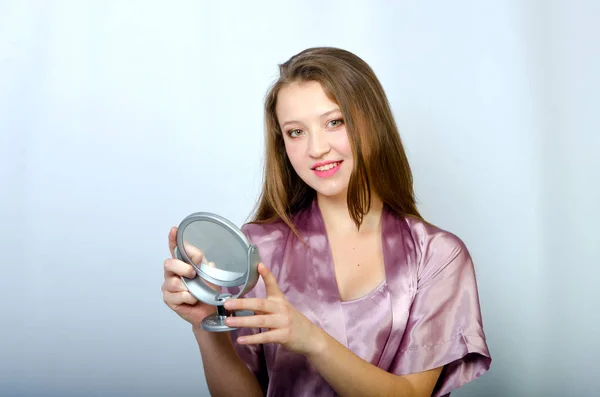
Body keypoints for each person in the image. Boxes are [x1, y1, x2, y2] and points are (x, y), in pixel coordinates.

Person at [162, 47, 491, 396]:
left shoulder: (436, 255)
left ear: (372, 121)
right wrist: (204, 325)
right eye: (295, 132)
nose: (316, 149)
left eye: (335, 122)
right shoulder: (259, 250)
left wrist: (311, 340)